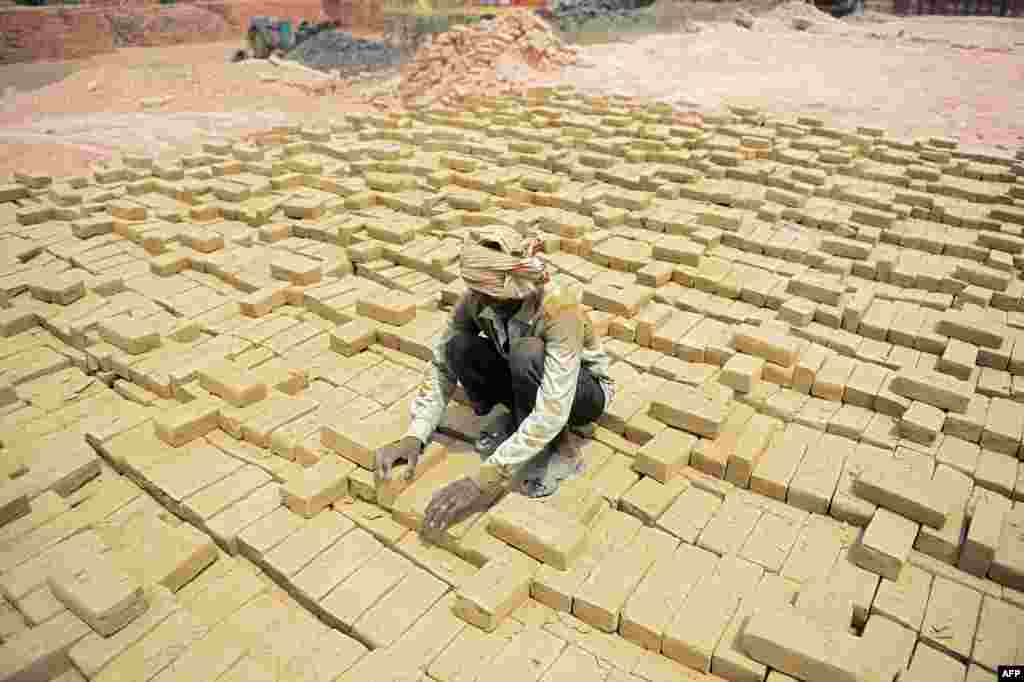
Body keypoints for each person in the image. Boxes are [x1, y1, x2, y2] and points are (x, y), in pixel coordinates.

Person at [374, 226, 614, 535]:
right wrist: (415, 435)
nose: (484, 301)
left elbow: (554, 407)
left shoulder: (558, 308)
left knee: (527, 352)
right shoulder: (477, 298)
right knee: (458, 347)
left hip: (581, 394)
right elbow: (441, 363)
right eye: (482, 293)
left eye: (494, 296)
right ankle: (518, 419)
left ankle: (561, 449)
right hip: (527, 375)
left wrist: (484, 479)